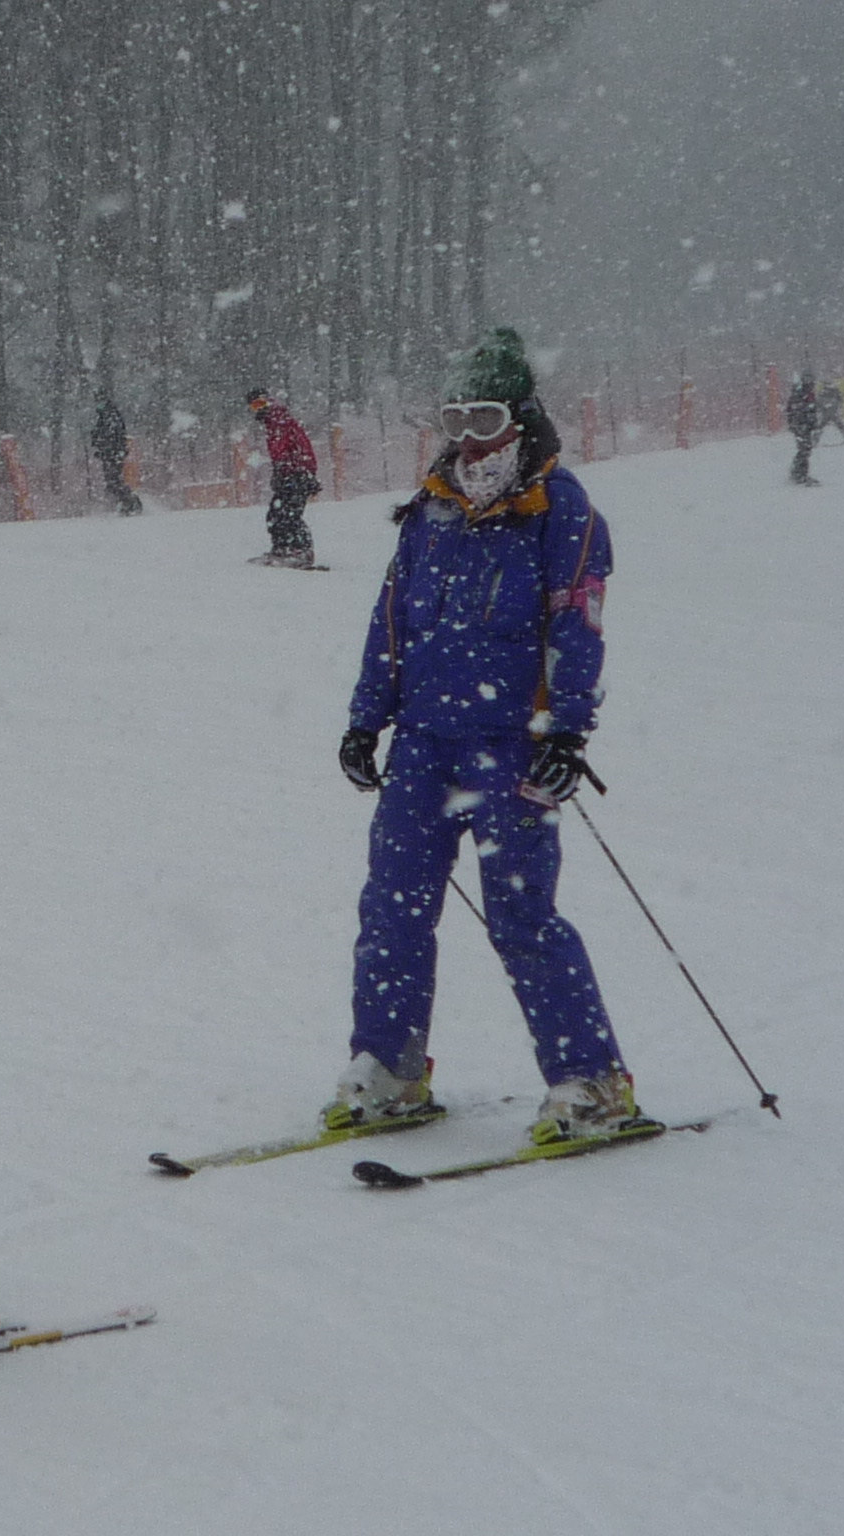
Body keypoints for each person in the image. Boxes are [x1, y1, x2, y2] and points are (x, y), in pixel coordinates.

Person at [324, 327, 639, 1146]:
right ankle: (390, 1064)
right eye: (456, 417)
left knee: (521, 916)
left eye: (487, 417)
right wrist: (366, 717)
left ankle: (592, 1081)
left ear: (520, 416)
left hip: (511, 745)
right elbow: (392, 620)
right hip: (424, 743)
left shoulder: (559, 508)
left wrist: (566, 733)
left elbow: (578, 625)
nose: (470, 436)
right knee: (392, 906)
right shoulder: (430, 508)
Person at [245, 388, 321, 568]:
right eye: (255, 406)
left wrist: (290, 470)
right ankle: (282, 548)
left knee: (289, 513)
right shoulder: (273, 422)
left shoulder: (279, 421)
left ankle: (299, 550)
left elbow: (287, 449)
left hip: (297, 473)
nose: (259, 409)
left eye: (261, 404)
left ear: (268, 401)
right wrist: (280, 471)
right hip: (292, 472)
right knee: (277, 513)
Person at [90, 391, 142, 515]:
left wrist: (108, 449)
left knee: (114, 481)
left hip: (113, 454)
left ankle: (129, 502)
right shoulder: (104, 416)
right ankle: (126, 502)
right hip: (110, 454)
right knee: (112, 481)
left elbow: (113, 437)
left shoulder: (111, 416)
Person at [786, 370, 823, 485]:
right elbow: (795, 408)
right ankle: (799, 474)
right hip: (801, 424)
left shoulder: (809, 392)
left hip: (805, 424)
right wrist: (799, 422)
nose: (810, 382)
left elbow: (812, 409)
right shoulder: (800, 392)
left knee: (806, 449)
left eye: (811, 379)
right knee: (804, 449)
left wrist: (814, 424)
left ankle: (798, 473)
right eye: (807, 379)